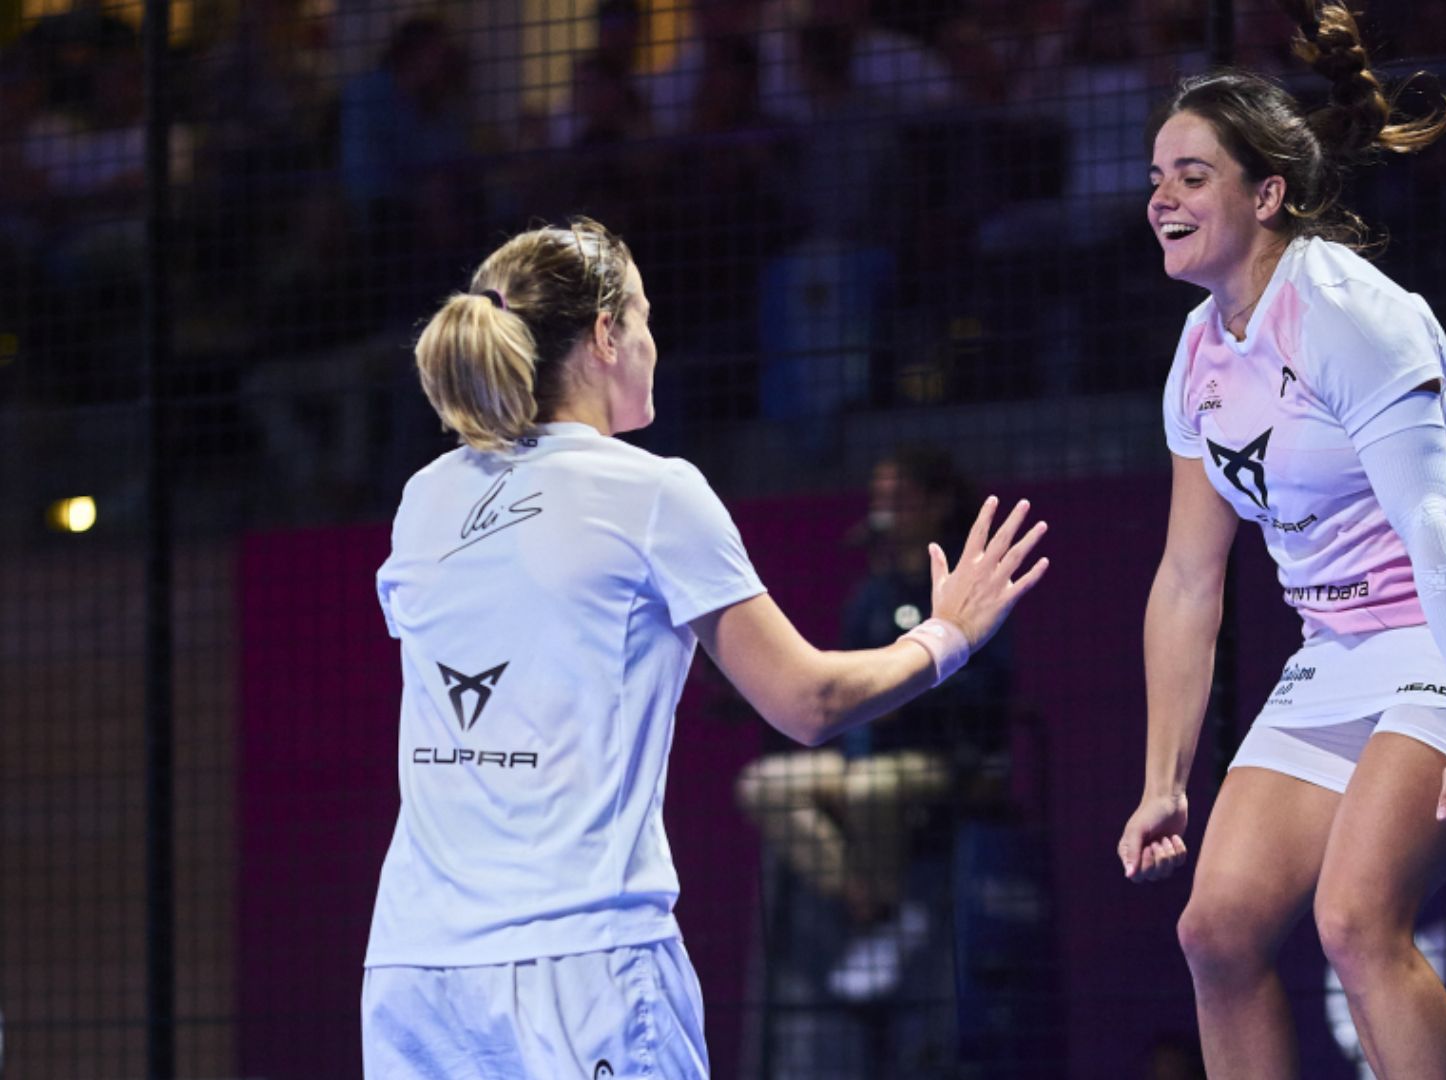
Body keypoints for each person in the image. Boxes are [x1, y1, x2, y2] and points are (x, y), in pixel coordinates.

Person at [361, 217, 1049, 1079]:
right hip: (583, 964)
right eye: (644, 317)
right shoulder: (654, 492)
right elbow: (809, 702)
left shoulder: (425, 499)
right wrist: (949, 635)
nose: (653, 343)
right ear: (605, 335)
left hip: (414, 970)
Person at [1112, 5, 1446, 1078]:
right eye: (1156, 178)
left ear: (1266, 195)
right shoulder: (1199, 355)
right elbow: (1188, 578)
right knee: (1216, 930)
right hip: (1343, 644)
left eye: (1191, 177)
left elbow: (1430, 524)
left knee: (1357, 919)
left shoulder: (1350, 316)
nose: (1161, 199)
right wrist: (1164, 779)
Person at [736, 445, 1013, 1004]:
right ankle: (876, 907)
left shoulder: (966, 587)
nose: (885, 511)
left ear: (936, 504)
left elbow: (993, 684)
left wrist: (911, 697)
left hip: (947, 759)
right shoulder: (871, 594)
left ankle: (886, 923)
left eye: (900, 498)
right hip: (868, 753)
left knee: (868, 788)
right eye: (879, 499)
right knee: (765, 785)